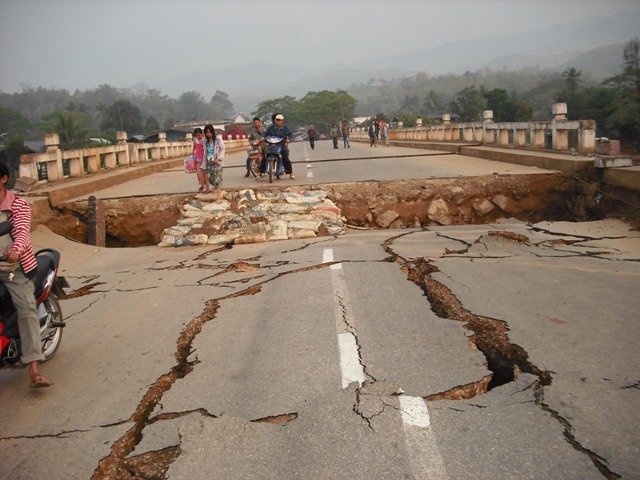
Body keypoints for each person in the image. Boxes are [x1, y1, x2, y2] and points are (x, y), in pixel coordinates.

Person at [0, 163, 51, 388]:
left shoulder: (17, 205)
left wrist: (15, 252)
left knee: (26, 309)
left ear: (3, 179)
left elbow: (22, 233)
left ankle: (33, 367)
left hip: (14, 269)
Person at [263, 113, 295, 179]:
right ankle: (260, 173)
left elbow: (291, 135)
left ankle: (291, 174)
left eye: (280, 120)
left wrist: (289, 140)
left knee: (285, 157)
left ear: (283, 121)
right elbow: (265, 134)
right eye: (277, 120)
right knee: (265, 157)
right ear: (275, 120)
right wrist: (263, 138)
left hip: (282, 145)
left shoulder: (285, 128)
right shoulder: (271, 127)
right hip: (272, 145)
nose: (278, 121)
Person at [204, 124, 225, 201]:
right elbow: (205, 153)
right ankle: (215, 188)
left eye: (209, 132)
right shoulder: (205, 141)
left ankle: (218, 197)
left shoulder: (218, 139)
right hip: (209, 161)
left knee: (218, 179)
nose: (208, 134)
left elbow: (223, 149)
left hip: (217, 161)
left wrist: (218, 159)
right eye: (206, 133)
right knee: (209, 178)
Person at [192, 127, 207, 192]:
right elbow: (194, 146)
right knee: (198, 173)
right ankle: (202, 185)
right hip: (198, 158)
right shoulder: (195, 140)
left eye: (199, 135)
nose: (198, 136)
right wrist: (193, 151)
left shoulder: (205, 140)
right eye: (196, 135)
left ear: (201, 134)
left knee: (204, 174)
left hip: (204, 158)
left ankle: (205, 186)